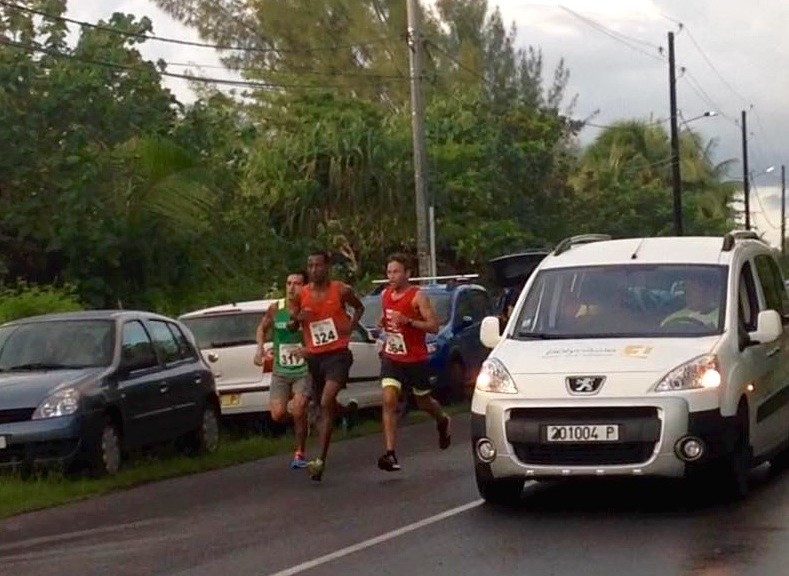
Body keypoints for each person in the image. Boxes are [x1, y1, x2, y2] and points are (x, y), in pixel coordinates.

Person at [288, 250, 364, 481]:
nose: (313, 270)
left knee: (324, 401)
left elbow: (359, 307)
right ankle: (346, 413)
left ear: (327, 267)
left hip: (338, 355)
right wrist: (298, 319)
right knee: (326, 407)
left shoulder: (341, 290)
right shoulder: (300, 295)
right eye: (310, 266)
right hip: (314, 357)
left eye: (318, 266)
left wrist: (350, 327)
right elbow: (291, 326)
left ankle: (320, 459)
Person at [377, 253, 451, 472]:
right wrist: (383, 322)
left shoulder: (417, 297)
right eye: (389, 272)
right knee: (389, 399)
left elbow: (434, 327)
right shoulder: (385, 295)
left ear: (408, 273)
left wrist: (408, 321)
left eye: (396, 271)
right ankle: (390, 453)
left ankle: (442, 419)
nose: (391, 276)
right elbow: (388, 321)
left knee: (423, 402)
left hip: (415, 359)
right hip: (392, 356)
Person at [254, 271, 312, 469]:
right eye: (288, 283)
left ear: (305, 287)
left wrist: (307, 350)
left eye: (297, 283)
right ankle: (303, 418)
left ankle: (300, 453)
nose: (291, 287)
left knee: (297, 408)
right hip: (281, 370)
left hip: (303, 370)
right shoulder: (276, 308)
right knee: (277, 414)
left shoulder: (309, 308)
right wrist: (259, 348)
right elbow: (262, 328)